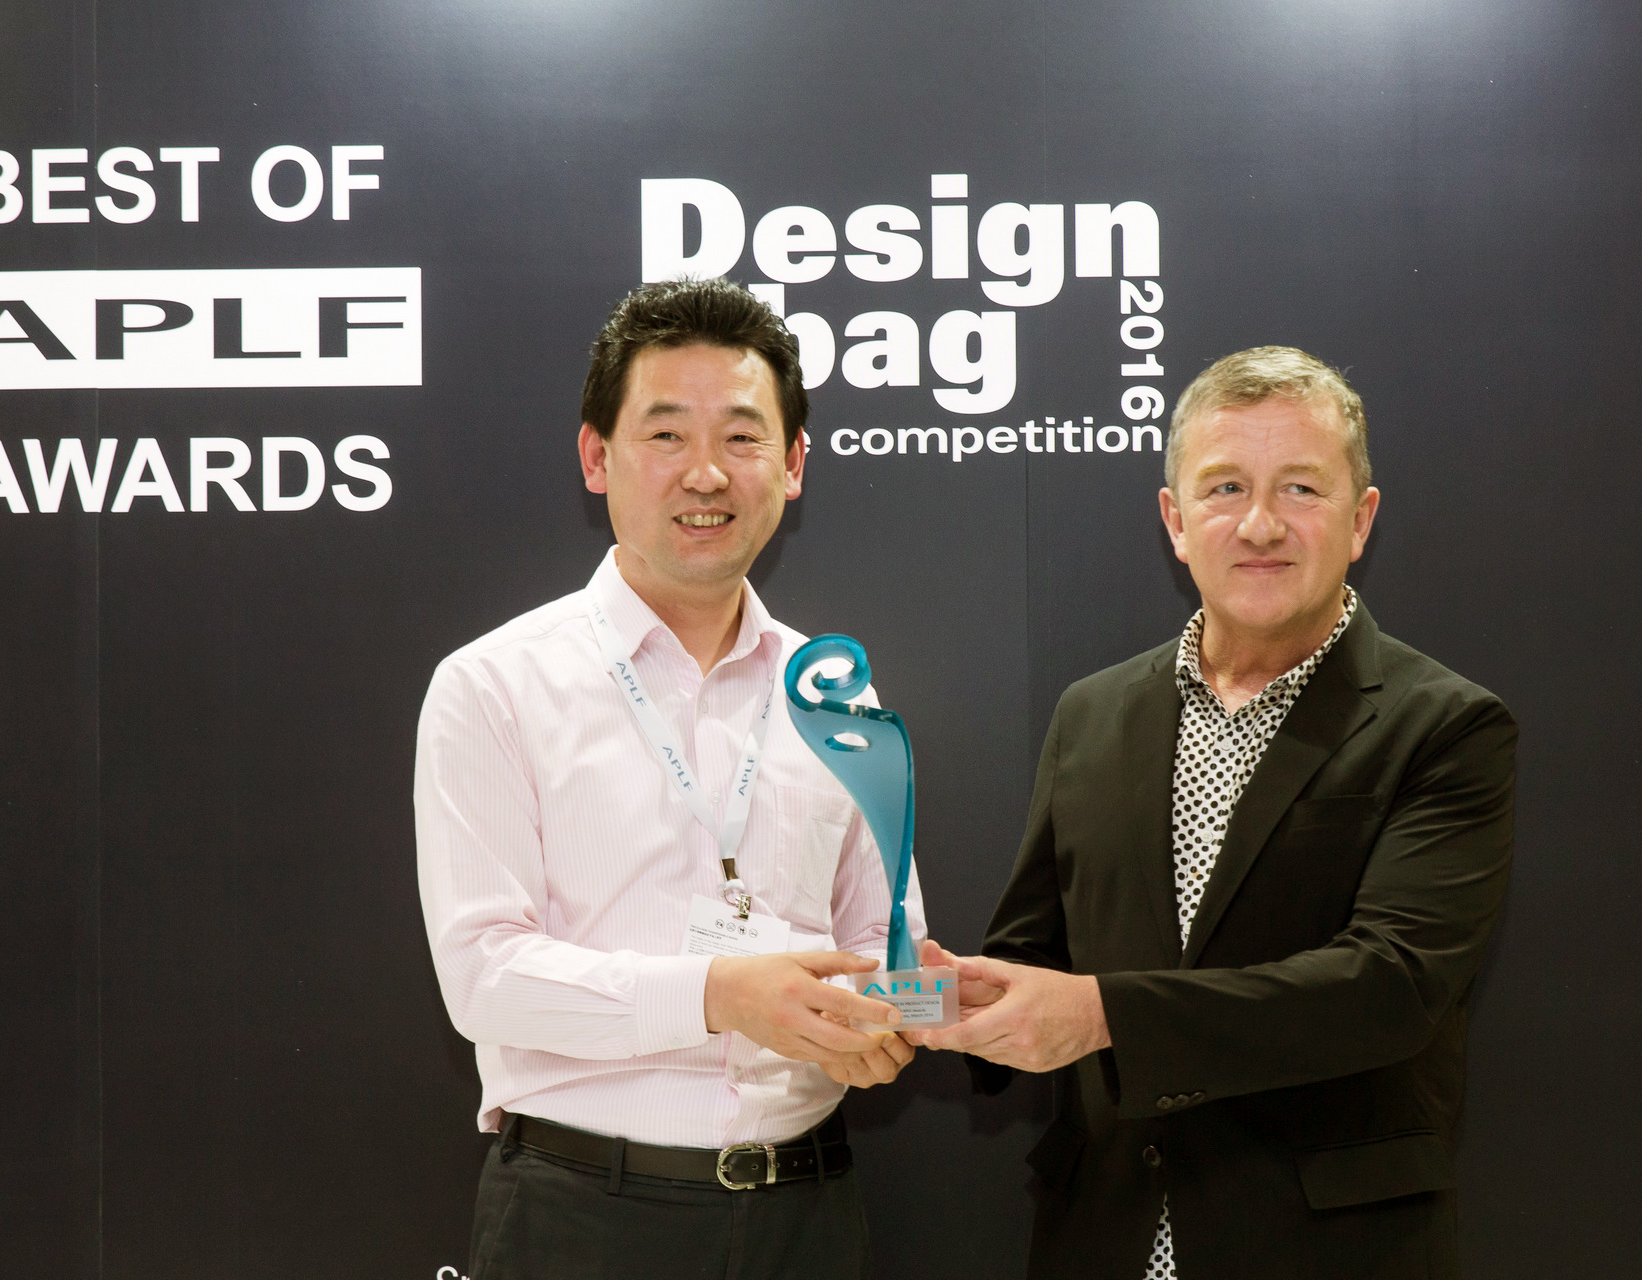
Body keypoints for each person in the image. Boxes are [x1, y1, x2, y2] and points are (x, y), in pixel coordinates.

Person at [912, 347, 1516, 1280]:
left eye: (1301, 489)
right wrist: (932, 1006)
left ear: (1360, 520)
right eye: (1226, 487)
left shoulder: (1447, 726)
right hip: (1103, 1236)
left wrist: (1106, 1016)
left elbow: (1390, 988)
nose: (1260, 524)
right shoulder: (1092, 713)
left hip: (1330, 1251)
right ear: (1177, 521)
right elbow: (1038, 958)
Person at [414, 277, 922, 1280]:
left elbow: (880, 940)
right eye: (665, 435)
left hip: (808, 1211)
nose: (706, 473)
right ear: (596, 456)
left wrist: (903, 1009)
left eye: (741, 436)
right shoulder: (494, 684)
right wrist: (719, 994)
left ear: (793, 463)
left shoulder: (837, 695)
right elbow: (484, 978)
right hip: (582, 1215)